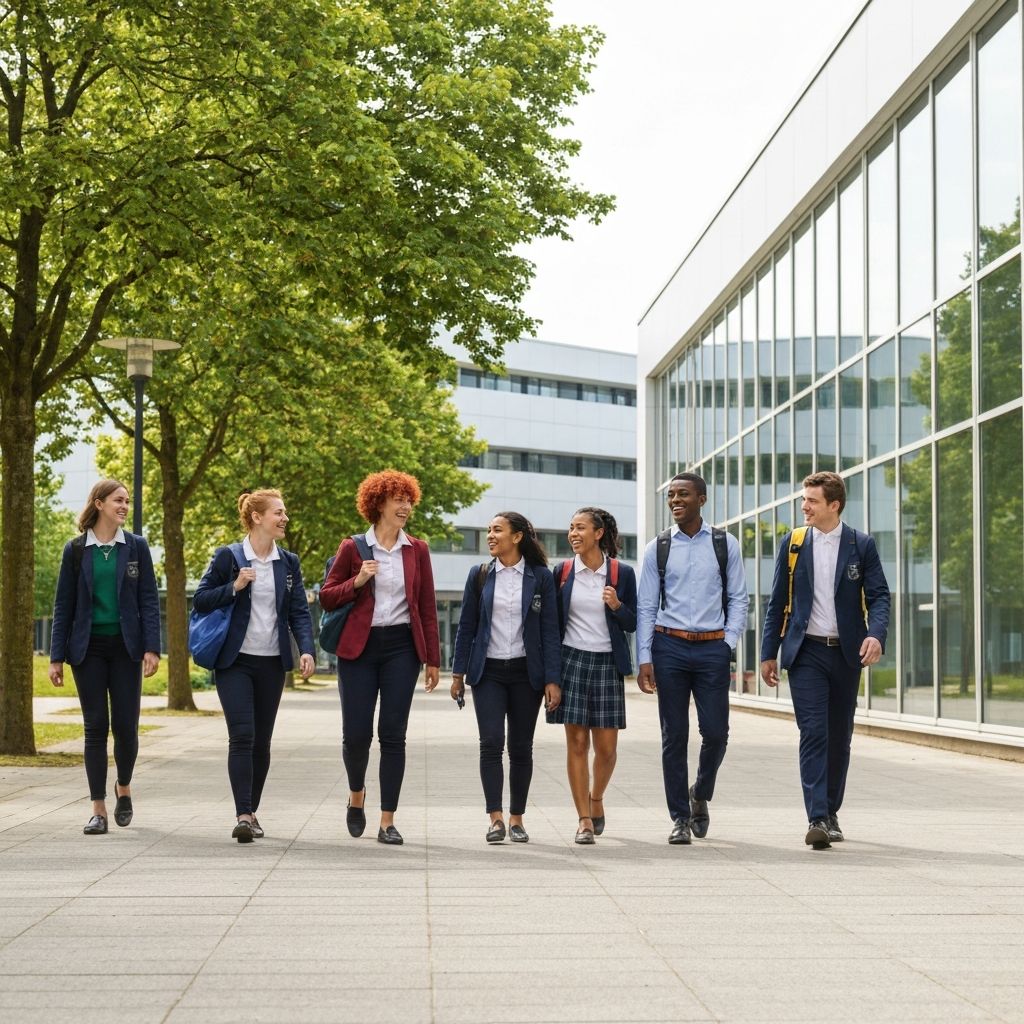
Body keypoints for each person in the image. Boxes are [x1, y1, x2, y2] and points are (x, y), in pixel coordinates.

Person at [759, 471, 890, 849]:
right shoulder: (795, 543)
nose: (804, 506)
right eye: (804, 499)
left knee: (839, 735)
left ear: (834, 505)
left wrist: (875, 635)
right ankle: (816, 816)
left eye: (812, 501)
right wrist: (769, 652)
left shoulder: (860, 545)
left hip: (847, 654)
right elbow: (778, 601)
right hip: (806, 652)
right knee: (813, 731)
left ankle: (831, 811)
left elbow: (880, 596)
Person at [320, 471, 440, 846]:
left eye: (409, 500)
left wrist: (432, 659)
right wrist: (356, 582)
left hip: (401, 649)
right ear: (378, 504)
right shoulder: (353, 547)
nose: (405, 506)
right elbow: (326, 596)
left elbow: (426, 607)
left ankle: (388, 820)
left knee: (393, 734)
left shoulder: (416, 549)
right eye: (397, 499)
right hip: (359, 649)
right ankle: (357, 795)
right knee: (356, 735)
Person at [193, 489, 315, 843]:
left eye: (285, 512)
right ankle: (243, 813)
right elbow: (200, 600)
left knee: (261, 742)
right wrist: (234, 586)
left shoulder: (288, 562)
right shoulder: (228, 557)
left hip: (272, 662)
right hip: (235, 661)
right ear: (257, 517)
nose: (285, 518)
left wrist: (305, 649)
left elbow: (298, 612)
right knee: (242, 735)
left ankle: (252, 810)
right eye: (278, 512)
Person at [636, 472, 748, 845]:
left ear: (702, 498)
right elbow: (647, 605)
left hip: (712, 648)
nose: (675, 500)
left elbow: (739, 598)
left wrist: (727, 644)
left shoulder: (723, 543)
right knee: (674, 736)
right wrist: (645, 657)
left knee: (716, 733)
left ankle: (699, 792)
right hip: (669, 648)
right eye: (671, 495)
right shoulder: (658, 547)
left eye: (683, 494)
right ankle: (679, 818)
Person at [48, 479, 161, 836]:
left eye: (127, 501)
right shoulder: (77, 549)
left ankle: (123, 788)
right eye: (118, 500)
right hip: (88, 649)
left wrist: (151, 647)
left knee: (125, 727)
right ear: (98, 504)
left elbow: (148, 600)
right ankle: (97, 808)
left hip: (127, 649)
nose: (125, 506)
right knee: (95, 726)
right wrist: (55, 657)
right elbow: (63, 605)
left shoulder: (137, 547)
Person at [451, 512, 561, 844]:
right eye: (488, 530)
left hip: (528, 673)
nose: (490, 535)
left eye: (497, 530)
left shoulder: (541, 577)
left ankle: (517, 818)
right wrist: (457, 674)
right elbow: (466, 626)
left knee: (521, 747)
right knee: (490, 743)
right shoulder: (481, 575)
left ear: (517, 537)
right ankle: (495, 818)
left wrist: (552, 679)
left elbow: (550, 632)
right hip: (489, 672)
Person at [548, 507, 637, 844]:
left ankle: (596, 797)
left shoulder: (621, 572)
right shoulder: (563, 571)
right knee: (577, 743)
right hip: (571, 661)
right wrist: (551, 677)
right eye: (571, 527)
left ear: (598, 533)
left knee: (607, 749)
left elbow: (632, 622)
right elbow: (552, 628)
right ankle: (583, 819)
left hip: (606, 664)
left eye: (580, 527)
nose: (573, 533)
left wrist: (617, 605)